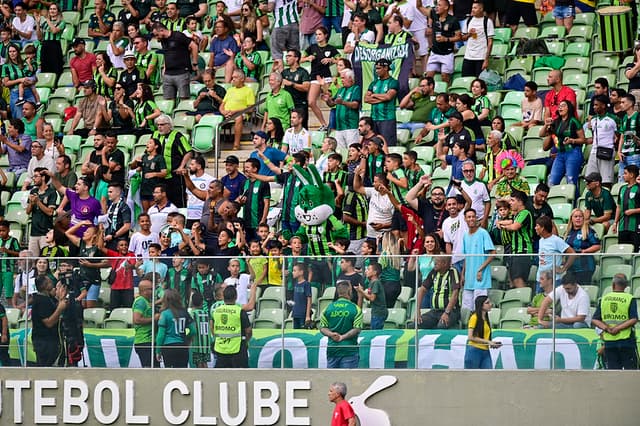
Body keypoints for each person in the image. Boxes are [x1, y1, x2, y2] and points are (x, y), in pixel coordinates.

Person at [591, 274, 639, 370]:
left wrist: (606, 328)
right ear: (626, 286)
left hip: (609, 342)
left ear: (613, 285)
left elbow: (595, 319)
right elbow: (634, 319)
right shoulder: (629, 298)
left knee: (613, 373)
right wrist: (618, 328)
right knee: (631, 373)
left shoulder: (604, 299)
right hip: (626, 341)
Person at [540, 100, 585, 186]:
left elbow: (583, 140)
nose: (560, 107)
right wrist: (546, 125)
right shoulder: (556, 122)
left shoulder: (574, 121)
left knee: (571, 181)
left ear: (569, 108)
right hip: (560, 154)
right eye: (559, 106)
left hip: (573, 153)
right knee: (552, 181)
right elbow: (541, 134)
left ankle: (574, 199)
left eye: (563, 105)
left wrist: (572, 140)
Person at [302, 27, 339, 130]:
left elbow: (340, 60)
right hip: (314, 76)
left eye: (319, 34)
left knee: (331, 100)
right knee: (311, 102)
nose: (317, 36)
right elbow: (300, 59)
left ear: (325, 35)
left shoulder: (331, 48)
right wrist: (307, 58)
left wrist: (331, 60)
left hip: (326, 76)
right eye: (316, 34)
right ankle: (324, 124)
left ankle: (335, 123)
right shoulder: (312, 47)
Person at [152, 114, 193, 208]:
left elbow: (188, 152)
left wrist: (181, 166)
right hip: (159, 176)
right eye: (158, 125)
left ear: (169, 125)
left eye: (162, 125)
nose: (159, 127)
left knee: (178, 201)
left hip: (175, 176)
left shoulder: (178, 136)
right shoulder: (155, 135)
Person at [319, 281, 363, 368]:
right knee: (347, 380)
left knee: (332, 379)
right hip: (349, 351)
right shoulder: (356, 309)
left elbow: (322, 328)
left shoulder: (327, 309)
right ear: (349, 292)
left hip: (332, 350)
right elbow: (357, 329)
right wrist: (342, 337)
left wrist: (331, 334)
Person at [65, 221, 108, 308]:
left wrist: (91, 265)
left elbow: (107, 263)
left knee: (89, 307)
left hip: (93, 280)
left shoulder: (97, 247)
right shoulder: (81, 244)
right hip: (82, 280)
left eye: (87, 232)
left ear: (94, 235)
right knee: (82, 306)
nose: (84, 233)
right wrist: (81, 223)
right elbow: (67, 233)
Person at [152, 21, 199, 100]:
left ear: (162, 30)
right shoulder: (163, 40)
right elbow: (167, 54)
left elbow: (194, 46)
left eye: (157, 35)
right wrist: (164, 69)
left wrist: (194, 63)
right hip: (168, 74)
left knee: (184, 99)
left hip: (182, 72)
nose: (156, 37)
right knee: (168, 100)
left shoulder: (178, 35)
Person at [496, 189, 533, 288]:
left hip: (523, 251)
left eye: (512, 200)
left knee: (517, 279)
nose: (510, 203)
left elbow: (514, 227)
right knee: (513, 280)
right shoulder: (516, 215)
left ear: (520, 202)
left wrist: (502, 226)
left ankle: (525, 301)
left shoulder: (525, 213)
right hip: (515, 251)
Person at [461, 208, 496, 309]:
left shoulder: (483, 233)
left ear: (476, 218)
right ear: (465, 219)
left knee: (480, 310)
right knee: (466, 310)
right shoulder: (465, 236)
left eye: (473, 216)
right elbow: (466, 257)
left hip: (481, 279)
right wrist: (463, 274)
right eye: (469, 217)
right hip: (468, 279)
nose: (471, 219)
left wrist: (480, 269)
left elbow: (493, 253)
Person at [211, 285, 252, 368]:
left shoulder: (216, 311)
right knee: (240, 377)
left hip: (220, 348)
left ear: (223, 297)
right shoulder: (239, 311)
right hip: (237, 349)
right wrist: (245, 341)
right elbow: (248, 331)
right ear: (236, 297)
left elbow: (212, 327)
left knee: (221, 377)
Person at [416, 255, 461, 329]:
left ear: (445, 263)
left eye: (437, 262)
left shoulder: (453, 272)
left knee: (441, 326)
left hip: (451, 311)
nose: (434, 264)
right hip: (435, 311)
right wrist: (417, 310)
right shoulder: (434, 272)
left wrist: (447, 312)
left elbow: (455, 294)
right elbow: (422, 290)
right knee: (415, 324)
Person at [32, 276, 68, 366]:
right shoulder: (41, 301)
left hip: (51, 339)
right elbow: (49, 323)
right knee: (45, 366)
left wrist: (60, 299)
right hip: (44, 341)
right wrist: (60, 309)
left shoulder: (48, 299)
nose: (52, 283)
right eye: (50, 281)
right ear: (45, 285)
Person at [155, 289, 195, 368]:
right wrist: (186, 339)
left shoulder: (165, 314)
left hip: (169, 347)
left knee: (170, 374)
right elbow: (193, 331)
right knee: (182, 373)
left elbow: (160, 335)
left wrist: (158, 351)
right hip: (182, 346)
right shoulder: (184, 312)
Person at [365, 58, 399, 146]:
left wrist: (374, 95)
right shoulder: (373, 83)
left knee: (387, 145)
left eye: (379, 68)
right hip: (374, 118)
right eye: (376, 68)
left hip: (387, 119)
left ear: (386, 68)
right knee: (374, 146)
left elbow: (388, 96)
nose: (377, 71)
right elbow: (366, 99)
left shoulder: (393, 82)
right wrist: (382, 98)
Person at [584, 94, 617, 186]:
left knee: (606, 181)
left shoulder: (613, 119)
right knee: (590, 179)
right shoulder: (593, 120)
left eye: (596, 105)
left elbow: (618, 134)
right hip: (594, 152)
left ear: (603, 105)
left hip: (607, 151)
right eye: (593, 105)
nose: (594, 107)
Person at [324, 68, 361, 150]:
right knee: (340, 152)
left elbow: (355, 105)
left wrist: (343, 102)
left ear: (350, 78)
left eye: (343, 78)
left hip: (351, 127)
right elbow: (332, 104)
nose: (341, 80)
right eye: (341, 78)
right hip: (339, 127)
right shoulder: (340, 90)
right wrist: (327, 100)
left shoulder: (356, 89)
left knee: (352, 150)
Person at [535, 215, 576, 288]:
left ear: (543, 228)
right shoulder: (541, 240)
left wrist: (563, 269)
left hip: (553, 280)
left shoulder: (556, 240)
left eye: (537, 226)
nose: (535, 228)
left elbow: (572, 254)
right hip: (540, 279)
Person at [220, 69, 256, 150]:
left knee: (238, 117)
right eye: (232, 77)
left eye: (235, 77)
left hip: (240, 113)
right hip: (227, 113)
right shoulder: (230, 90)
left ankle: (236, 144)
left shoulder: (248, 90)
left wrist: (234, 111)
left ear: (242, 79)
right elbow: (222, 105)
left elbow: (250, 109)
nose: (233, 80)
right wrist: (224, 112)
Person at [426, 0, 460, 84]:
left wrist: (446, 39)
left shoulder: (453, 20)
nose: (437, 7)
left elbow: (458, 37)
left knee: (445, 77)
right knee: (428, 77)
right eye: (436, 5)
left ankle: (447, 95)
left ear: (446, 7)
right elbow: (419, 7)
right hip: (434, 52)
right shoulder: (434, 15)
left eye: (439, 5)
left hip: (447, 53)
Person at [564, 208, 600, 286]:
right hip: (570, 267)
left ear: (583, 218)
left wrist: (585, 251)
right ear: (571, 219)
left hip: (585, 267)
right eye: (576, 216)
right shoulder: (568, 233)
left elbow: (597, 246)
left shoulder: (588, 231)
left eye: (580, 216)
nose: (578, 218)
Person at [25, 168, 57, 255]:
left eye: (36, 176)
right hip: (34, 232)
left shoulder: (51, 192)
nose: (33, 179)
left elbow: (50, 212)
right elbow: (27, 212)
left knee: (45, 259)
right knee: (32, 260)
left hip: (45, 232)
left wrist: (38, 202)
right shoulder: (33, 191)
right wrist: (31, 203)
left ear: (43, 178)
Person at [465, 295, 501, 369]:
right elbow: (470, 337)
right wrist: (488, 342)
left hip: (485, 351)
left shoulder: (486, 318)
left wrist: (491, 343)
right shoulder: (474, 318)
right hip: (474, 350)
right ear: (481, 305)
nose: (490, 304)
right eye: (487, 303)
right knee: (473, 377)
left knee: (488, 376)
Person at [461, 1, 494, 78]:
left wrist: (486, 59)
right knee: (466, 79)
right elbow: (463, 38)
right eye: (472, 8)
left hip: (481, 56)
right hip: (468, 56)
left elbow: (490, 42)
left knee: (479, 81)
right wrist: (469, 34)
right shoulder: (468, 21)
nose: (472, 10)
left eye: (475, 8)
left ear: (481, 9)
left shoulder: (487, 22)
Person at [267, 0, 300, 73]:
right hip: (294, 24)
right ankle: (295, 76)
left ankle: (282, 78)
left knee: (277, 54)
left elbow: (270, 8)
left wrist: (261, 8)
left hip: (280, 25)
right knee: (294, 53)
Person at [133, 277, 160, 367]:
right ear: (144, 290)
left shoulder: (147, 301)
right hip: (144, 341)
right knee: (149, 370)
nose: (153, 291)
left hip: (150, 340)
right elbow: (136, 319)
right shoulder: (140, 301)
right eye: (151, 289)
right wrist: (154, 319)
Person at [613, 164, 640, 251]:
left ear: (631, 175)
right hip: (622, 227)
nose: (622, 175)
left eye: (625, 173)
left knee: (634, 252)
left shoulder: (639, 189)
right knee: (622, 251)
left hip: (635, 227)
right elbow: (618, 207)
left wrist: (633, 211)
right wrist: (615, 223)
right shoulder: (622, 188)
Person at [281, 49, 311, 128]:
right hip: (288, 105)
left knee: (301, 128)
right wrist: (273, 70)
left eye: (289, 56)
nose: (287, 58)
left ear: (296, 58)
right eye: (286, 56)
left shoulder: (303, 72)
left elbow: (306, 87)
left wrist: (292, 84)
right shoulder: (284, 72)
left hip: (300, 105)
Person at [36, 3, 65, 75]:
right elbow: (39, 37)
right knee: (45, 69)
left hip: (55, 46)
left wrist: (46, 18)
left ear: (58, 11)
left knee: (56, 69)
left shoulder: (62, 22)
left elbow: (54, 31)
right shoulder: (45, 23)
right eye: (51, 9)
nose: (52, 11)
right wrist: (37, 23)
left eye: (54, 9)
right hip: (45, 46)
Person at [356, 261, 387, 329]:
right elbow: (368, 298)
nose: (366, 271)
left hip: (379, 312)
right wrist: (361, 291)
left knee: (375, 332)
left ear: (375, 272)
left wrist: (361, 291)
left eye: (369, 269)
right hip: (375, 311)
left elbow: (372, 298)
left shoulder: (376, 282)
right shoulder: (371, 282)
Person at [617, 94, 640, 182]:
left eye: (623, 102)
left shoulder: (638, 116)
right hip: (623, 155)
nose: (621, 105)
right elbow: (622, 136)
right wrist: (619, 151)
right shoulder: (624, 118)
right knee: (621, 180)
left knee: (634, 181)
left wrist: (636, 139)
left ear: (630, 104)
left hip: (635, 154)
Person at [291, 262, 312, 329]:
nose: (292, 272)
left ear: (301, 272)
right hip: (295, 313)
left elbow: (309, 300)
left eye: (294, 271)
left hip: (303, 314)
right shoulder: (295, 284)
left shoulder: (306, 284)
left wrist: (307, 315)